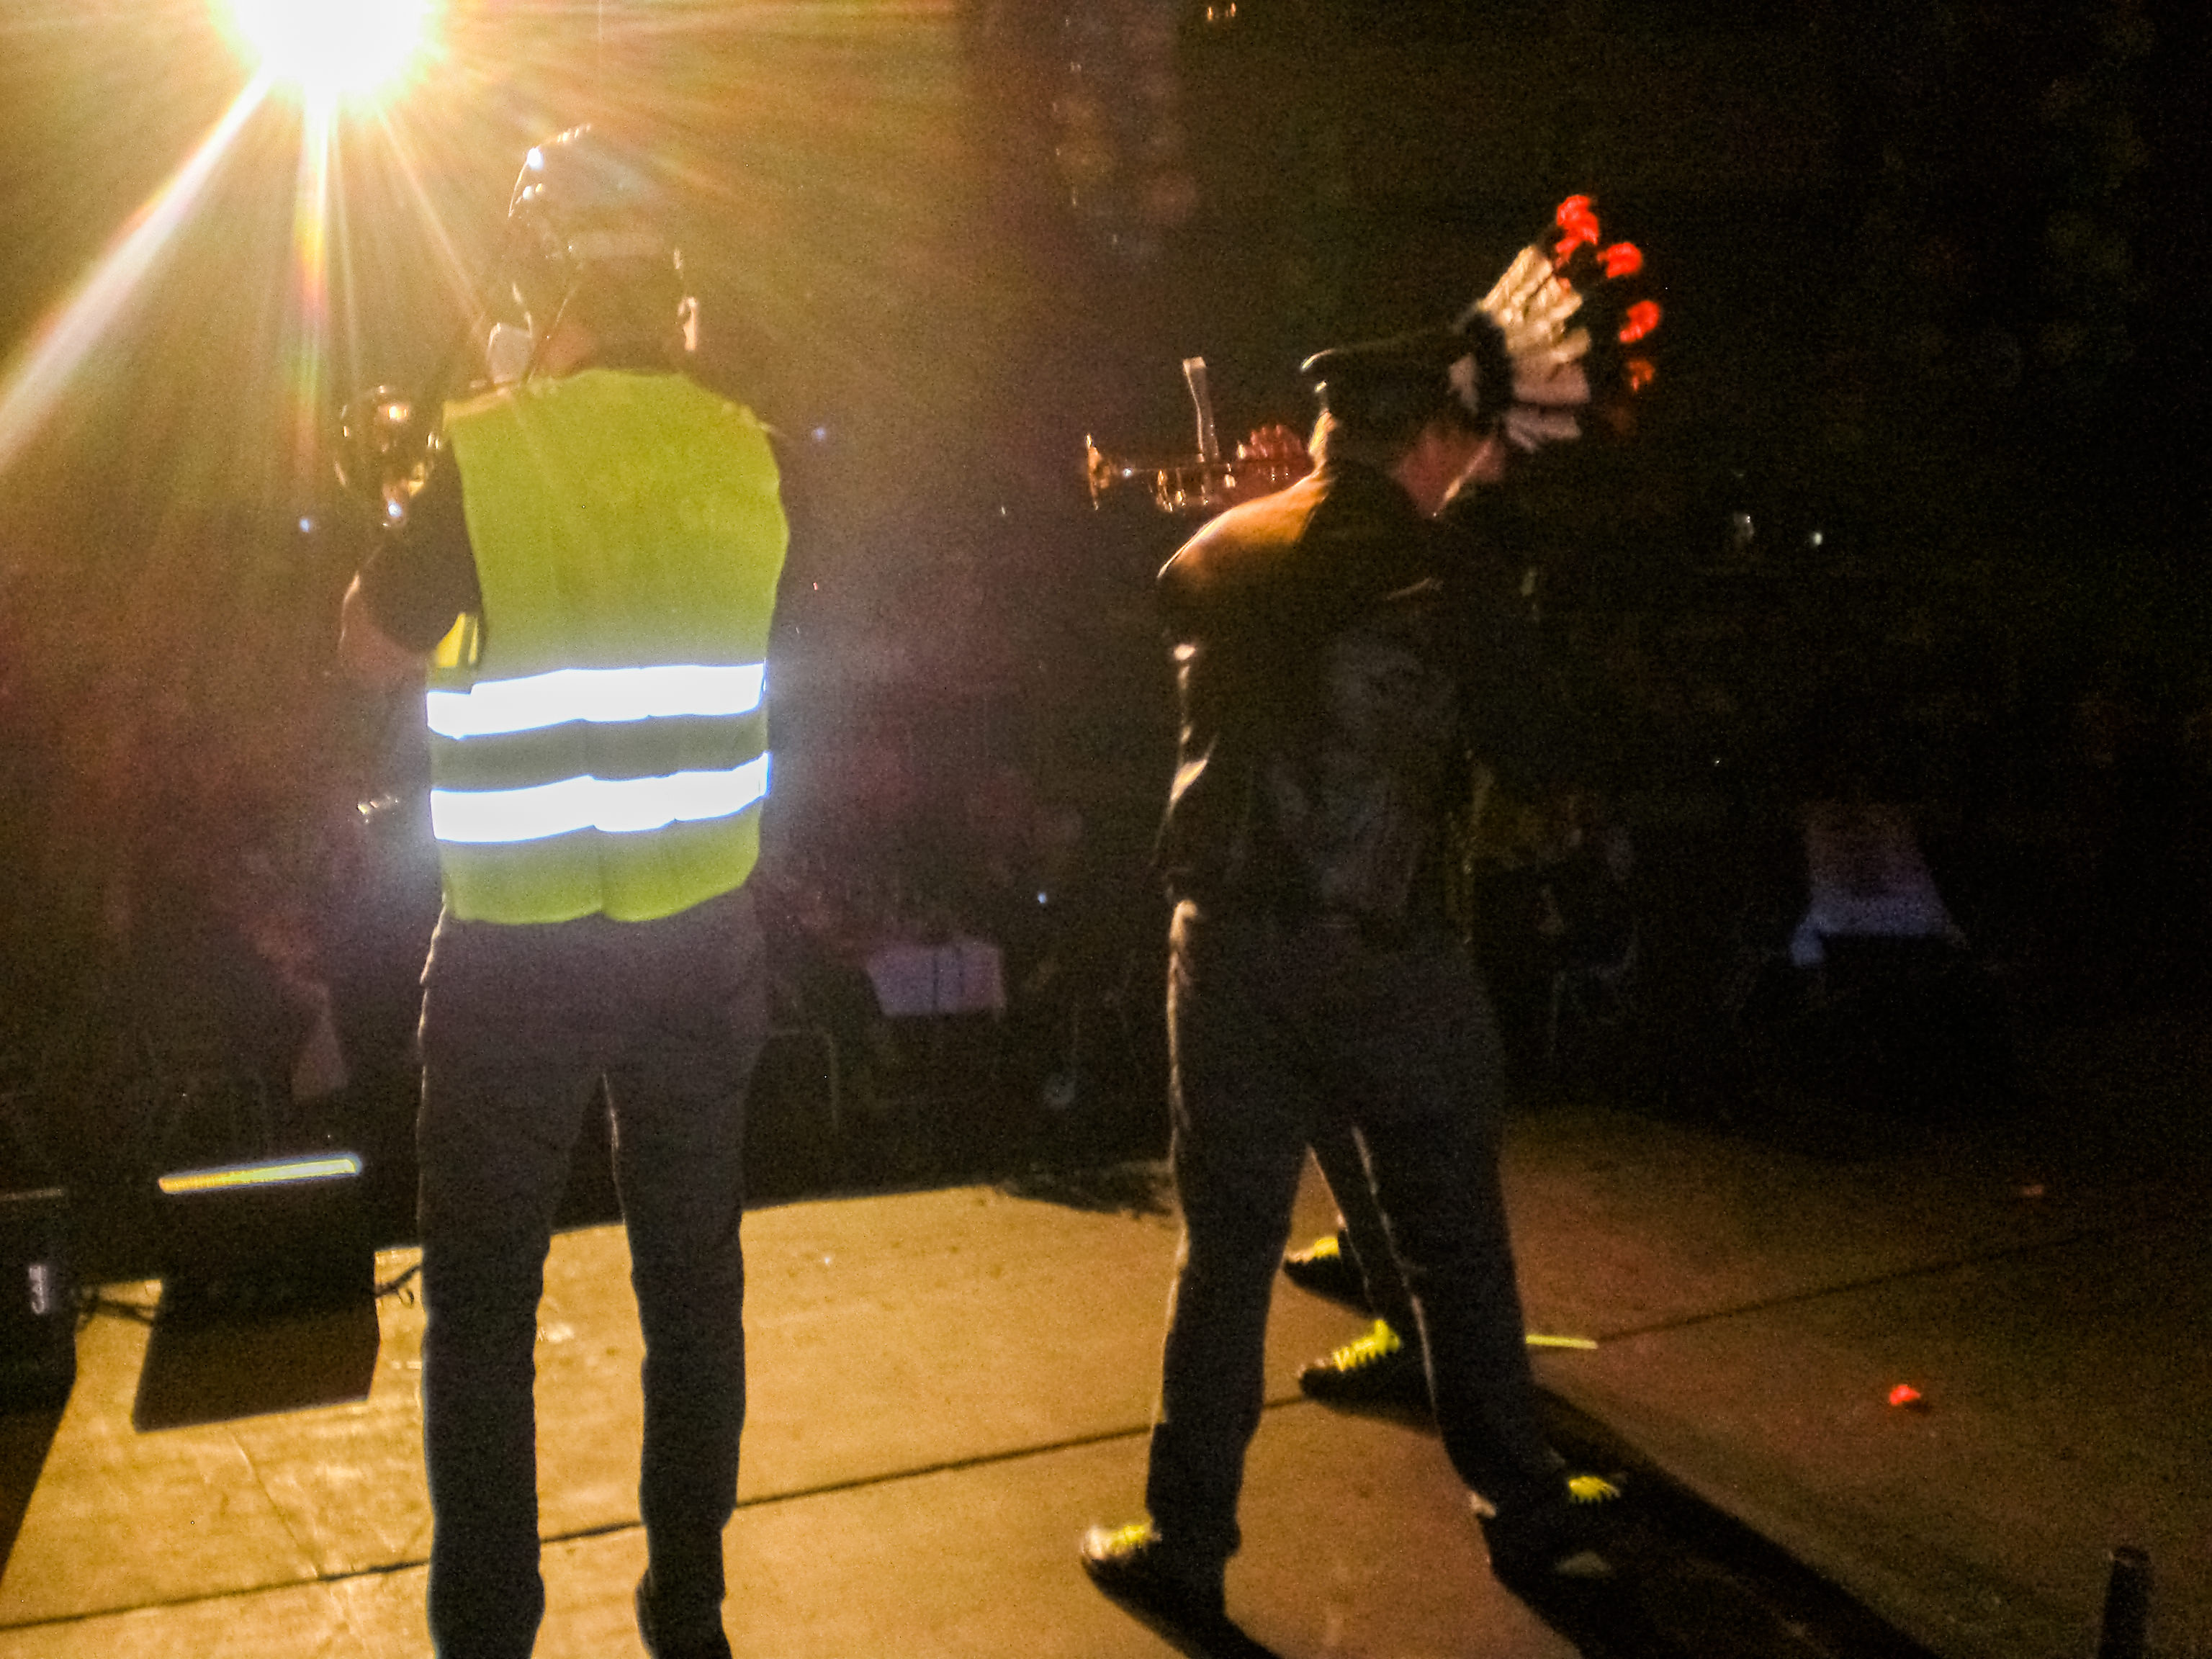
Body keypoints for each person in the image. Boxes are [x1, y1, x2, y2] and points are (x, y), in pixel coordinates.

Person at [1079, 322, 1624, 1648]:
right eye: (1463, 440)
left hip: (1225, 954)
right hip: (1389, 953)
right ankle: (1526, 1512)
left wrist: (1268, 507)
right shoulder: (1457, 579)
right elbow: (1543, 753)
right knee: (1456, 1250)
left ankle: (1184, 1546)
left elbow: (1193, 656)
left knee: (1225, 1258)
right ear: (1428, 436)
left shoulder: (1214, 551)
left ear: (1329, 430)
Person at [338, 126, 788, 1659]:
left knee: (483, 1313)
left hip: (520, 948)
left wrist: (416, 490)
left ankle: (490, 1634)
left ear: (539, 277)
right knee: (694, 1290)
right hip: (703, 935)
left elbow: (367, 646)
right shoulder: (749, 449)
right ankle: (691, 1611)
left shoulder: (496, 450)